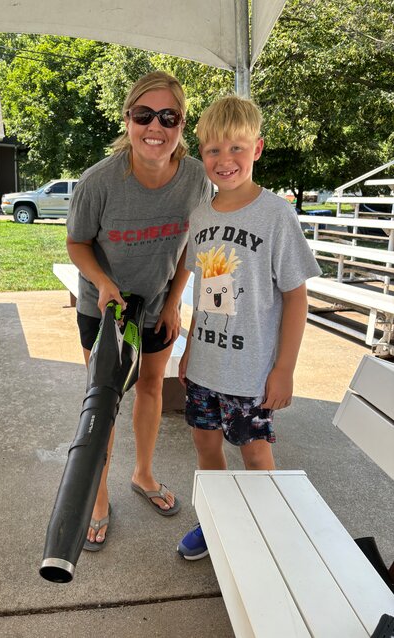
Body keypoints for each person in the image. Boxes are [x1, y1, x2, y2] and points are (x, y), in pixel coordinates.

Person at [66, 71, 212, 550]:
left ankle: (144, 474)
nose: (156, 126)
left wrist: (174, 303)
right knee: (104, 401)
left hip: (157, 305)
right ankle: (98, 494)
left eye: (168, 116)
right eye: (144, 114)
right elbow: (77, 243)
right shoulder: (99, 181)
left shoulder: (195, 178)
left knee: (151, 385)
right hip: (105, 308)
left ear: (182, 123)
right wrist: (105, 284)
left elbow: (193, 244)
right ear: (127, 119)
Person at [176, 95, 321, 560]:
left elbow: (296, 296)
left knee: (255, 455)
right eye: (214, 150)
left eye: (237, 148)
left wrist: (284, 369)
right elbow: (210, 289)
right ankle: (216, 520)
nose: (225, 160)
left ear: (257, 149)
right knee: (205, 447)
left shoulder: (276, 215)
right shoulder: (200, 217)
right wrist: (189, 348)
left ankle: (267, 533)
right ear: (203, 156)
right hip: (204, 366)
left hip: (251, 372)